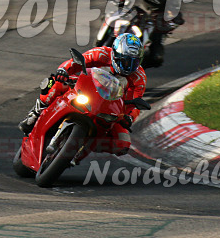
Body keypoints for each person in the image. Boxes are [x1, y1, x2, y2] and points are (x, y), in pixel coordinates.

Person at [18, 33, 147, 156]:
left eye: (134, 62)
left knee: (123, 143)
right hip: (83, 88)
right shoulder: (101, 53)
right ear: (115, 54)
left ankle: (85, 147)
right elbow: (74, 62)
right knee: (55, 83)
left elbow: (135, 102)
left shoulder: (139, 77)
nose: (129, 67)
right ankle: (35, 112)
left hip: (108, 106)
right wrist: (63, 71)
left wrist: (129, 117)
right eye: (125, 61)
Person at [103, 0, 185, 68]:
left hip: (156, 23)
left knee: (157, 58)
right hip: (137, 15)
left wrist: (174, 20)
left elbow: (176, 13)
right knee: (113, 19)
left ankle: (134, 69)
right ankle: (101, 45)